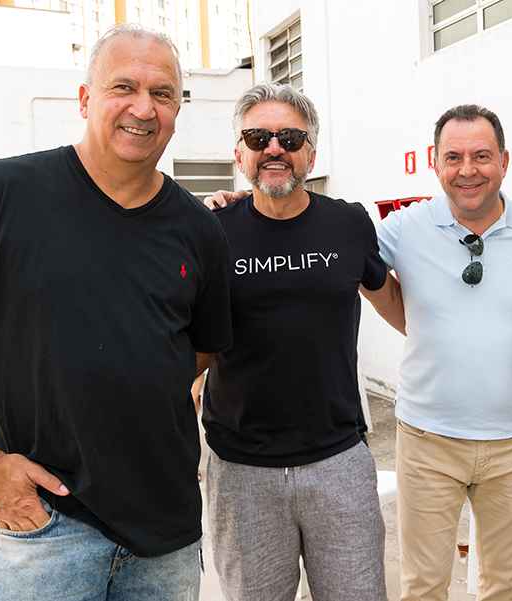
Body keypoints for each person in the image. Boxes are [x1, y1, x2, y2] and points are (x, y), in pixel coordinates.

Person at [0, 24, 231, 601]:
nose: (143, 108)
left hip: (167, 533)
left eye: (162, 93)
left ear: (178, 109)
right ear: (84, 98)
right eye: (123, 87)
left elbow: (198, 351)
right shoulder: (1, 192)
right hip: (47, 529)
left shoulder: (199, 229)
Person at [197, 83, 403, 601]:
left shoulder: (348, 223)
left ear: (311, 153)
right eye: (258, 137)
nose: (274, 148)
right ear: (239, 153)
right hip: (241, 469)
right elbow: (182, 337)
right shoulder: (209, 232)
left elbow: (396, 304)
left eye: (290, 138)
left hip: (338, 461)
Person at [375, 104, 512, 601]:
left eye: (481, 156)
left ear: (504, 161)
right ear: (434, 162)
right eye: (453, 157)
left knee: (506, 587)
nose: (468, 170)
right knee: (423, 588)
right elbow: (339, 252)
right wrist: (249, 201)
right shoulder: (404, 228)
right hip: (427, 440)